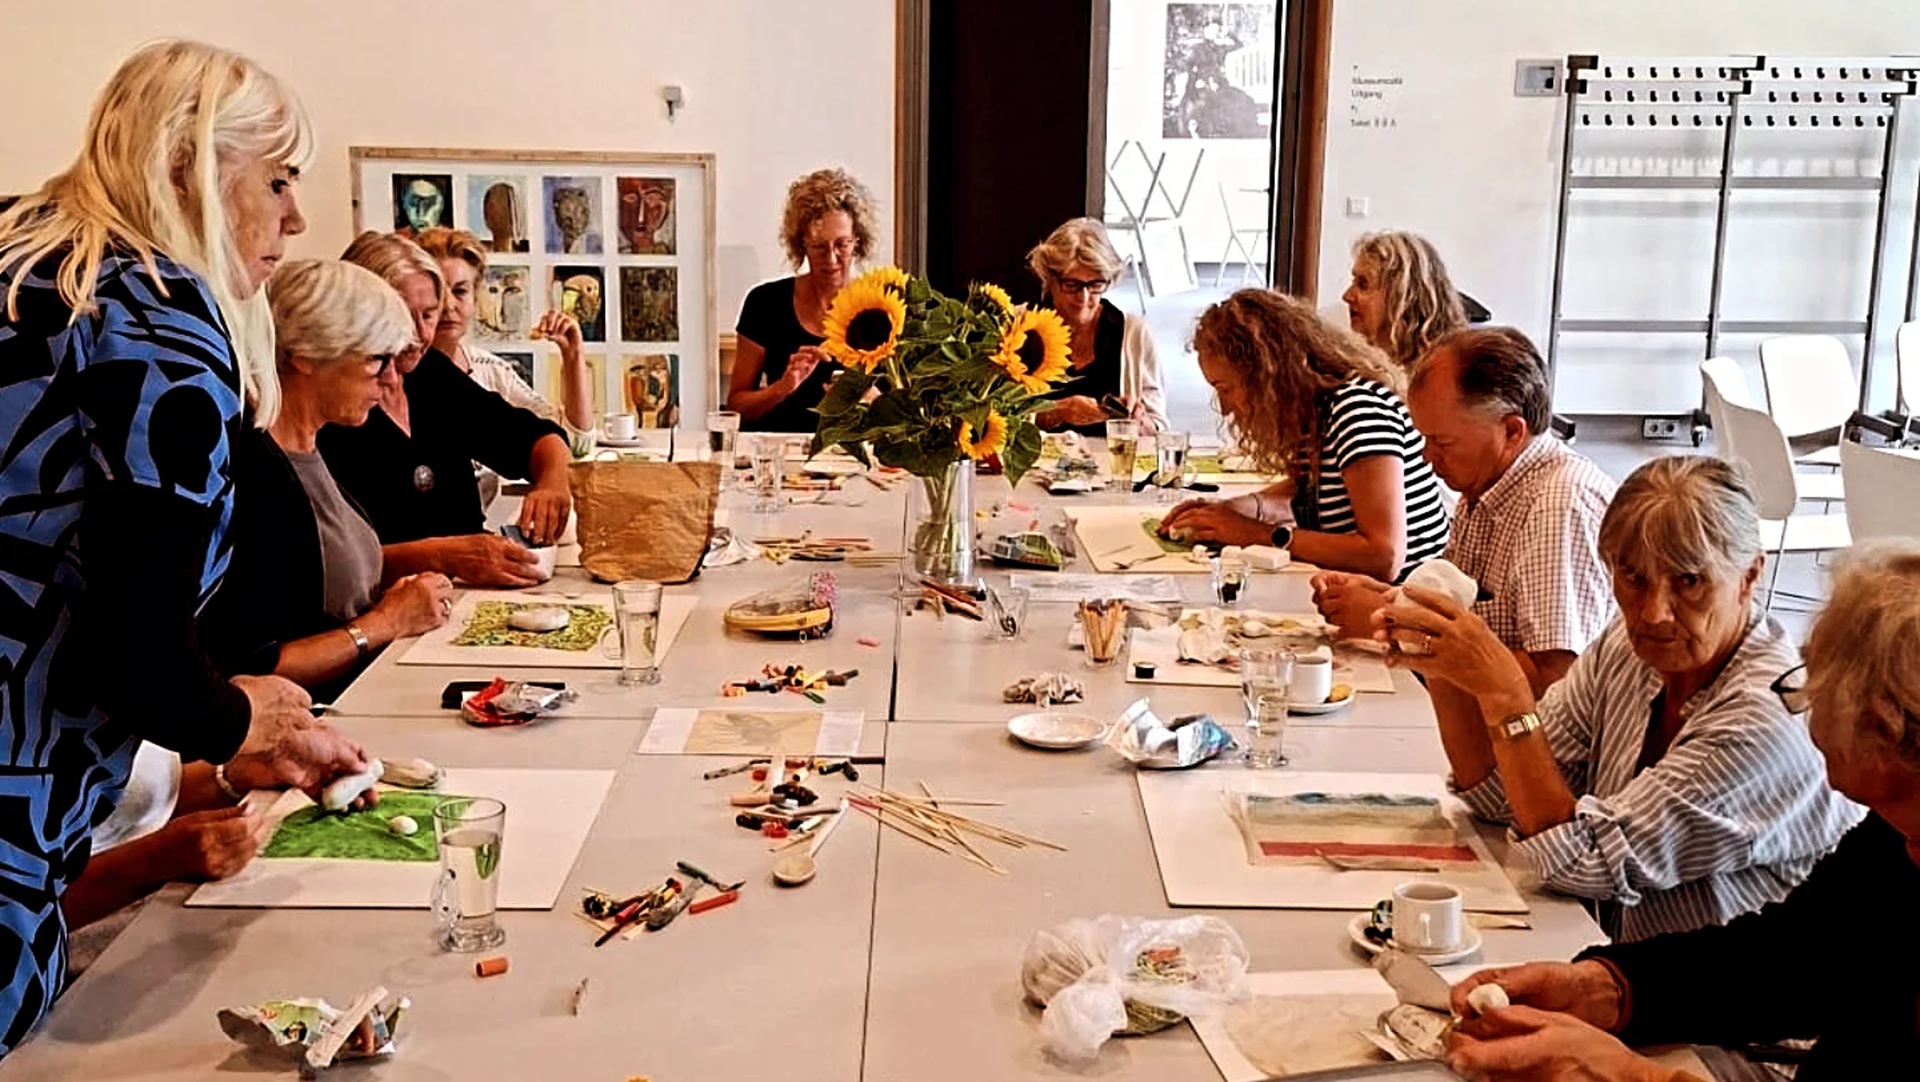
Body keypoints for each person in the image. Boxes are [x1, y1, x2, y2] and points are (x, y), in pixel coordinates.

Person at [0, 41, 373, 1052]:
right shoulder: (159, 322)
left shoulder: (26, 265)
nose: (297, 219)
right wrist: (248, 715)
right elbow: (140, 658)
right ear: (185, 168)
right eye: (280, 181)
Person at [1445, 542, 1920, 1081]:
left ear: (1887, 727)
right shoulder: (1893, 834)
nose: (1805, 704)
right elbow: (1790, 957)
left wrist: (1632, 1075)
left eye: (1820, 683)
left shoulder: (1760, 724)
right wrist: (1609, 987)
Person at [1382, 455, 1861, 943]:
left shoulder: (1764, 718)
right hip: (1620, 957)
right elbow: (1502, 798)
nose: (1654, 612)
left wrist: (1505, 695)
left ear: (1750, 576)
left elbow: (1580, 861)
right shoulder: (1628, 650)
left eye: (1689, 581)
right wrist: (1438, 658)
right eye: (1634, 579)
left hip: (1727, 1004)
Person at [199, 259, 454, 700]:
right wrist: (386, 622)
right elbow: (244, 666)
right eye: (377, 361)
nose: (391, 380)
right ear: (305, 354)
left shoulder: (312, 447)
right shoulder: (253, 470)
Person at [1314, 327, 1616, 694]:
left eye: (1441, 441)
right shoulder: (1484, 485)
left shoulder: (1558, 505)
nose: (1427, 456)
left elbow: (1554, 678)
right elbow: (1455, 610)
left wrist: (1391, 623)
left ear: (1512, 431)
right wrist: (1385, 598)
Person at [319, 232, 573, 575]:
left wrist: (553, 482)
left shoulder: (430, 375)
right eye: (405, 317)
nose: (422, 334)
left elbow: (533, 436)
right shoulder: (333, 410)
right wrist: (441, 556)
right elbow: (328, 566)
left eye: (429, 315)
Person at [1158, 289, 1450, 581]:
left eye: (1226, 389)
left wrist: (1256, 534)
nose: (1224, 408)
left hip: (1406, 599)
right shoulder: (1314, 413)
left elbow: (1383, 556)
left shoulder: (1358, 412)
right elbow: (1315, 490)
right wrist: (1240, 509)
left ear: (1267, 375)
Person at [728, 168, 880, 431]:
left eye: (842, 245)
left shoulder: (885, 309)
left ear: (858, 242)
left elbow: (912, 418)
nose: (831, 259)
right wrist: (782, 387)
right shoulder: (765, 303)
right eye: (819, 247)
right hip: (783, 458)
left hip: (864, 464)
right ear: (801, 245)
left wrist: (872, 399)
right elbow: (737, 408)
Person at [414, 227, 594, 434]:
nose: (448, 305)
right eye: (436, 292)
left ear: (475, 297)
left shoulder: (492, 371)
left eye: (460, 291)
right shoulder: (394, 378)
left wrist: (573, 355)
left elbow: (571, 441)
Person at [1025, 217, 1169, 435]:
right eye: (1072, 285)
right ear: (1050, 280)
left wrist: (1138, 421)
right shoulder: (1019, 327)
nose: (1083, 298)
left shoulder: (1132, 333)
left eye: (1095, 285)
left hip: (1111, 466)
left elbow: (1158, 427)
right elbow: (991, 418)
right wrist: (1056, 411)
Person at [1341, 230, 1466, 368]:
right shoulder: (1358, 361)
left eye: (1363, 285)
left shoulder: (1443, 373)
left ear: (1403, 297)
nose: (1347, 296)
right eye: (1354, 281)